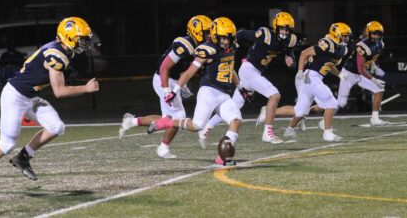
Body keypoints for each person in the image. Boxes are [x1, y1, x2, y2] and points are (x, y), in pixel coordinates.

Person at [0, 17, 99, 190]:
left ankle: (23, 157)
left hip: (30, 96)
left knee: (56, 126)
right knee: (7, 143)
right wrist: (86, 88)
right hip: (14, 96)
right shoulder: (56, 55)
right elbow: (59, 91)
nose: (85, 43)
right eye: (81, 39)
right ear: (68, 37)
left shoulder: (62, 49)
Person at [145, 17, 245, 165]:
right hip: (209, 92)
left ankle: (223, 157)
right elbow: (188, 73)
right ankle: (168, 122)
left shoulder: (232, 47)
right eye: (223, 38)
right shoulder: (206, 49)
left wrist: (242, 89)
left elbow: (230, 69)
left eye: (229, 38)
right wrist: (173, 90)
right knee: (196, 125)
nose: (226, 42)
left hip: (224, 94)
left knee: (236, 120)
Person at [118, 15, 212, 158]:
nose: (209, 36)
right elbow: (164, 67)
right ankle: (163, 148)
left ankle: (132, 121)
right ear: (196, 31)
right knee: (178, 116)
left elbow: (182, 67)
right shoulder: (185, 45)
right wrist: (167, 89)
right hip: (163, 78)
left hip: (172, 79)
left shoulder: (198, 46)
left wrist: (182, 84)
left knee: (167, 118)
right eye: (206, 32)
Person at [233, 12, 298, 144]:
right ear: (275, 27)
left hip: (255, 71)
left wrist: (289, 59)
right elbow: (241, 35)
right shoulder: (266, 35)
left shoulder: (290, 40)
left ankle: (206, 126)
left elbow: (288, 53)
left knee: (233, 106)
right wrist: (232, 45)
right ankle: (268, 133)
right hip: (249, 69)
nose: (284, 33)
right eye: (282, 29)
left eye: (287, 30)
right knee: (274, 95)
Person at [287, 22, 352, 142]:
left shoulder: (342, 49)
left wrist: (339, 74)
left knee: (300, 111)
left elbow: (329, 64)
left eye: (347, 36)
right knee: (331, 102)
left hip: (315, 78)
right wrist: (300, 71)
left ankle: (284, 124)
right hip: (311, 76)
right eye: (344, 35)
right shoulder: (327, 44)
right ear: (336, 34)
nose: (346, 38)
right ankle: (327, 133)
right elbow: (304, 53)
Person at [335, 21, 389, 126]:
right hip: (349, 73)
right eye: (374, 33)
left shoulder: (380, 44)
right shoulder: (362, 45)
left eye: (378, 33)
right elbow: (361, 69)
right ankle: (322, 119)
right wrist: (374, 79)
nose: (376, 36)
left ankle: (375, 118)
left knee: (379, 90)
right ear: (369, 33)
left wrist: (373, 66)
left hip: (360, 75)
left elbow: (371, 58)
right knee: (341, 102)